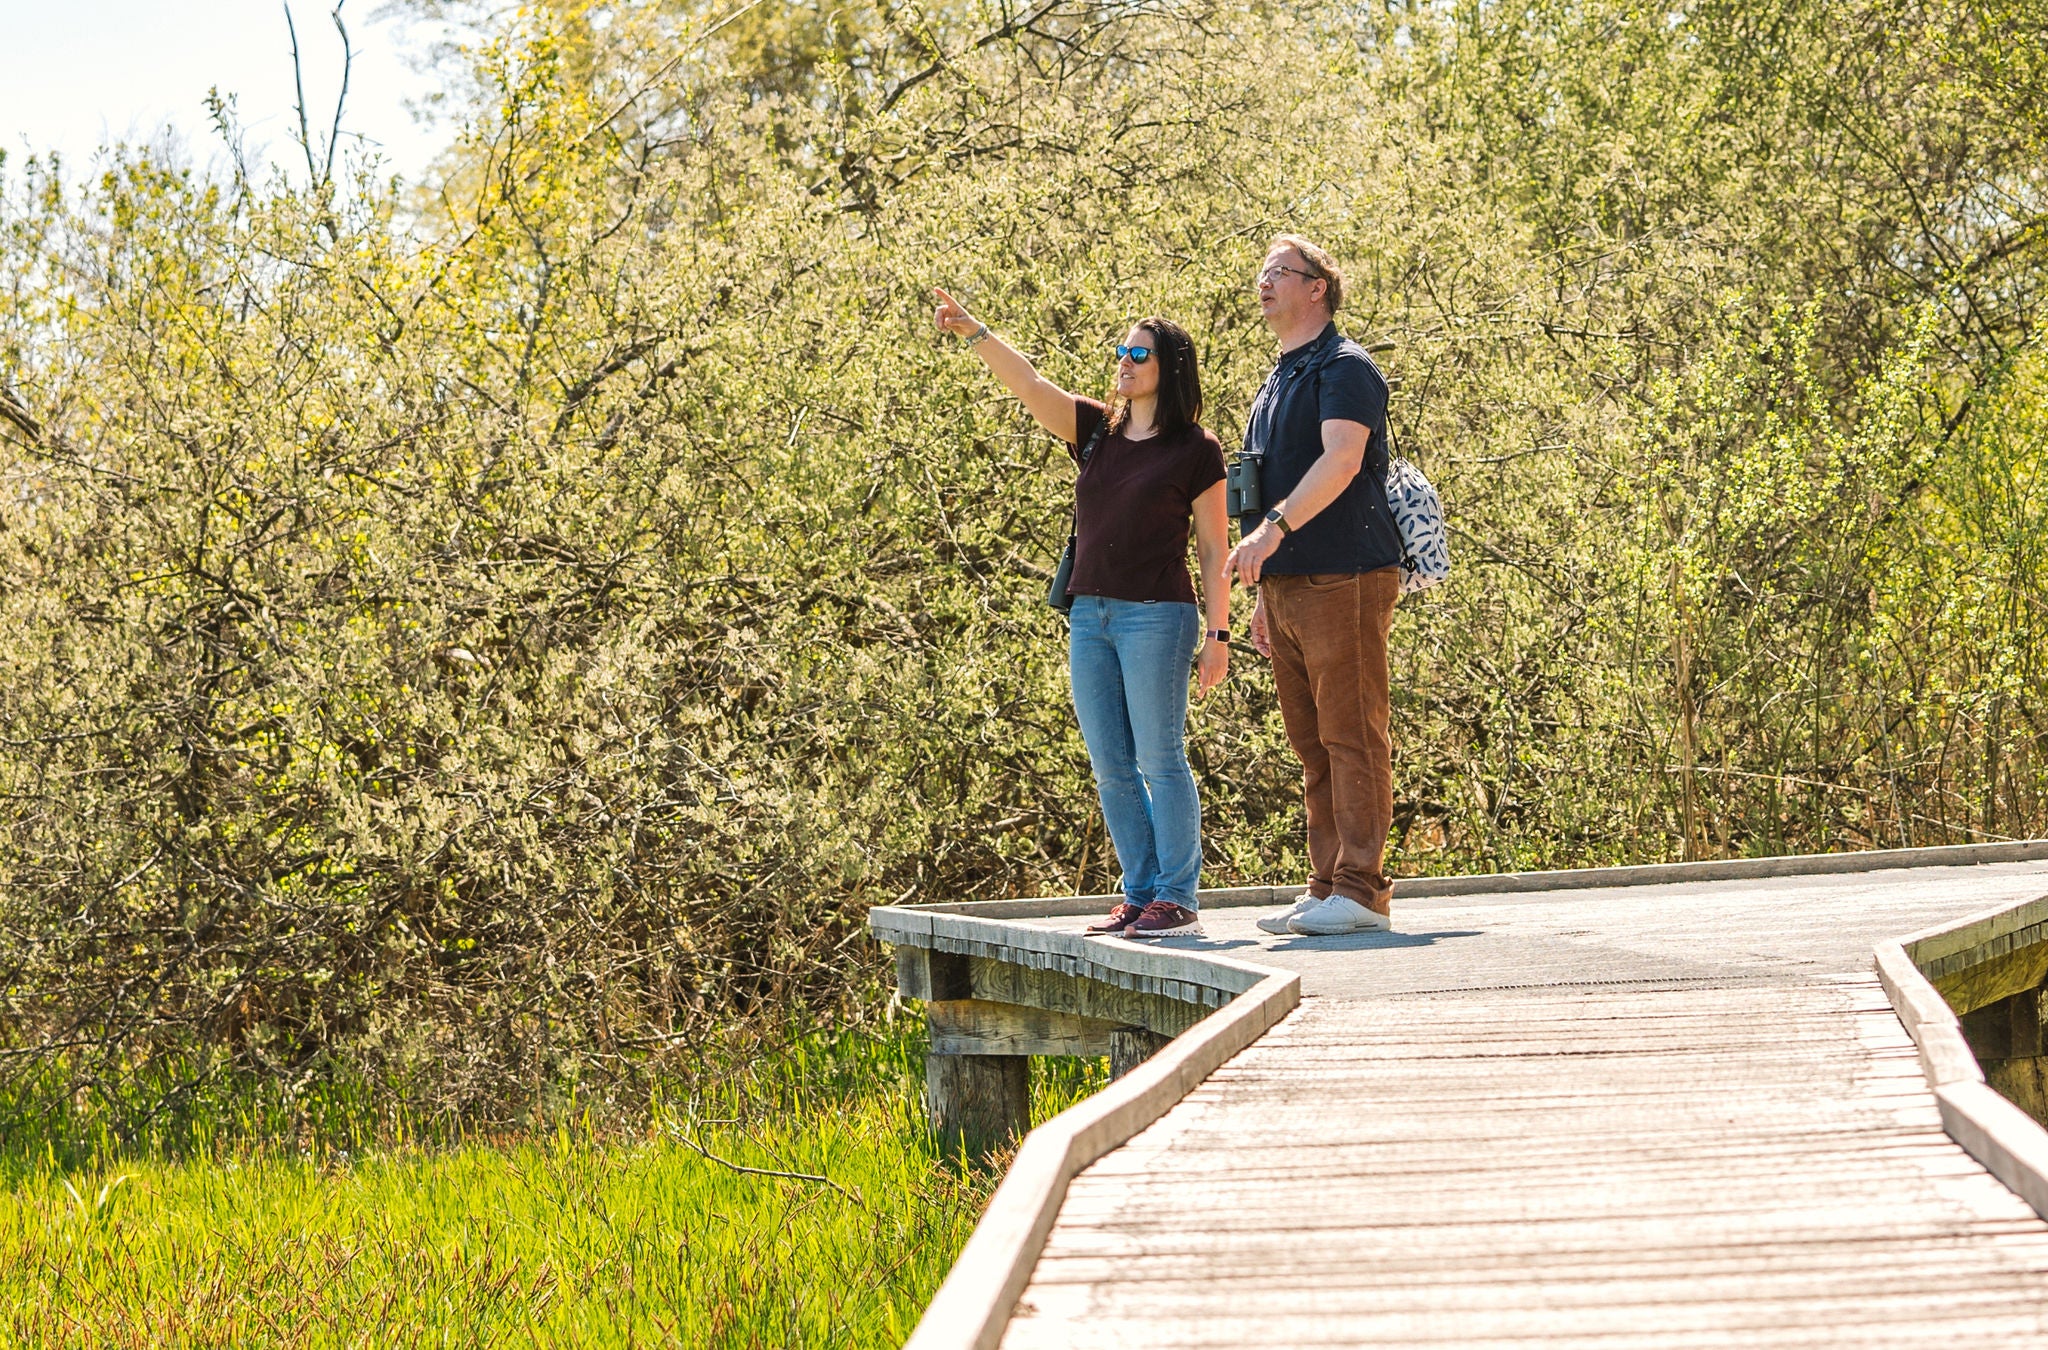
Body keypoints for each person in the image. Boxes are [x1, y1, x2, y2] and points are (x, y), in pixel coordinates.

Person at [932, 288, 1230, 938]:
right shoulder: (1098, 431)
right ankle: (1141, 891)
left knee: (1159, 757)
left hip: (1159, 616)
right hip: (1089, 616)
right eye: (1121, 351)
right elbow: (1032, 385)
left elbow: (1213, 548)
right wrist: (975, 330)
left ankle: (1177, 898)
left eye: (1138, 353)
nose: (1123, 361)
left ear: (1169, 367)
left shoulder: (1196, 448)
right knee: (1111, 764)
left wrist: (1219, 633)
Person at [1224, 236, 1403, 936]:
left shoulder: (1344, 366)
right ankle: (1328, 883)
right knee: (1313, 741)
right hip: (1292, 585)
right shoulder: (1279, 377)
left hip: (1347, 575)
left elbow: (1341, 460)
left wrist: (1270, 530)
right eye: (1261, 273)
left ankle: (1362, 891)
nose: (1264, 284)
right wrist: (1268, 593)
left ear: (1318, 288)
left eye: (1279, 274)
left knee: (1352, 732)